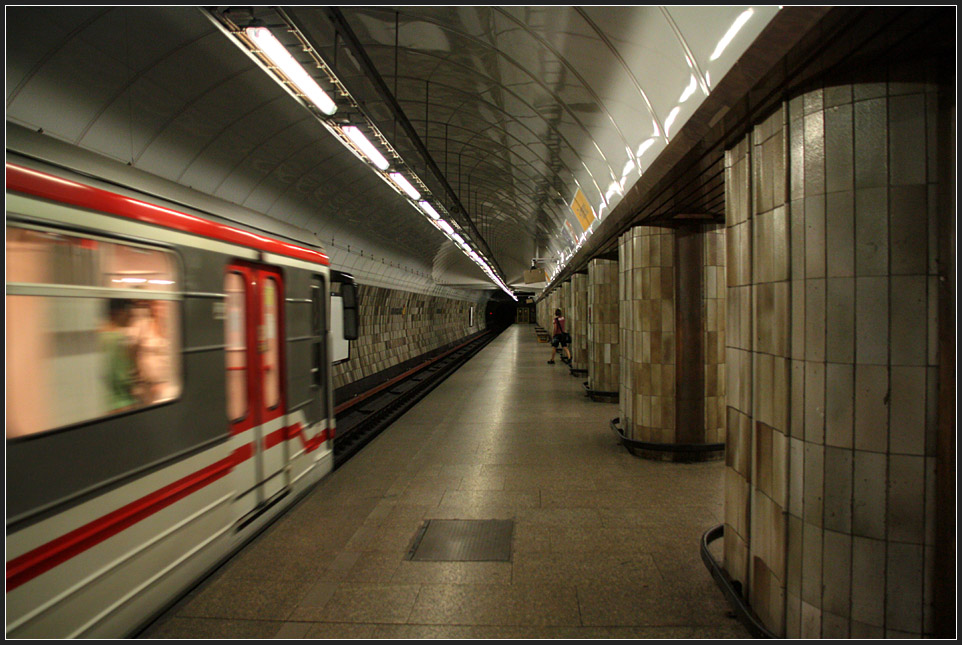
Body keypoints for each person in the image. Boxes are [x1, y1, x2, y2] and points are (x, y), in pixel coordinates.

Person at [102, 298, 138, 411]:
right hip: (121, 403)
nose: (132, 317)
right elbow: (123, 377)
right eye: (130, 313)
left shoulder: (98, 335)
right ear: (120, 313)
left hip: (104, 402)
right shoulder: (119, 338)